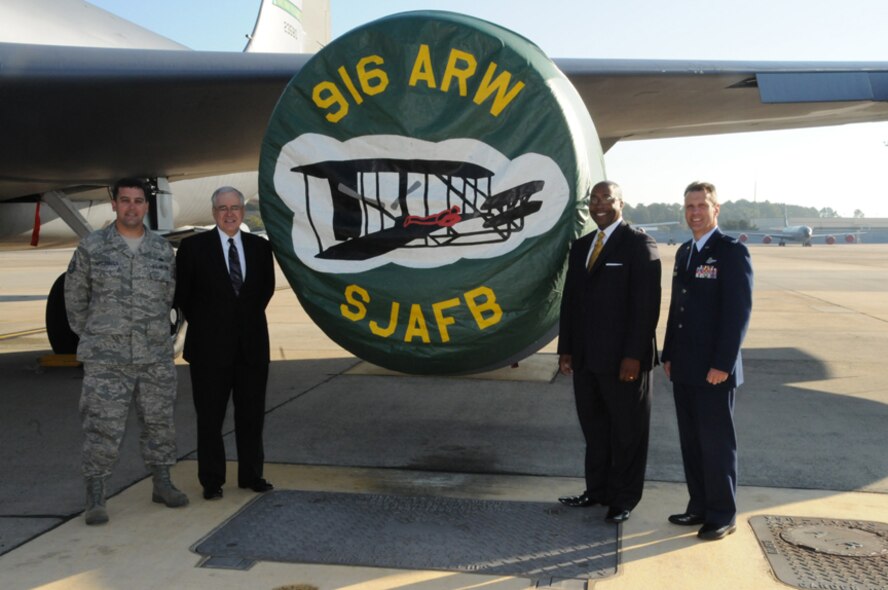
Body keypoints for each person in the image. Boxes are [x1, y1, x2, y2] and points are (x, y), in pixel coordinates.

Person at [65, 177, 188, 526]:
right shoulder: (92, 247)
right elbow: (74, 301)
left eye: (138, 201)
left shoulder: (162, 251)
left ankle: (162, 483)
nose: (132, 207)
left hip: (153, 355)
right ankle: (96, 495)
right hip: (107, 358)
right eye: (125, 200)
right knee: (101, 427)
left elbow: (169, 296)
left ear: (146, 207)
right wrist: (98, 335)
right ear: (114, 205)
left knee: (160, 422)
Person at [557, 181, 662, 524]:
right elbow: (571, 302)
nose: (599, 204)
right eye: (594, 199)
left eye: (607, 198)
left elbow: (646, 306)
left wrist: (634, 355)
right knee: (595, 429)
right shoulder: (582, 246)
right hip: (586, 359)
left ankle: (624, 498)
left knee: (627, 431)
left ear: (621, 203)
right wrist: (567, 349)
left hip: (623, 361)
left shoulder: (638, 244)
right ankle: (597, 490)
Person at [661, 181, 753, 541]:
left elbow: (737, 313)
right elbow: (677, 309)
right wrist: (667, 354)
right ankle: (698, 505)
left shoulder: (730, 252)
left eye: (701, 205)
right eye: (689, 206)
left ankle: (722, 514)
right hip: (683, 365)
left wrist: (723, 364)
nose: (694, 212)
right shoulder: (685, 252)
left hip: (714, 369)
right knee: (692, 442)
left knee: (716, 444)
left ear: (716, 209)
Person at [175, 186, 275, 500]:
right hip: (208, 350)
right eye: (222, 208)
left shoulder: (259, 248)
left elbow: (265, 292)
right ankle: (212, 480)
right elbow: (184, 297)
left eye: (234, 207)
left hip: (251, 348)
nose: (229, 214)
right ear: (214, 212)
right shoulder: (193, 249)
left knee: (251, 416)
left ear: (242, 211)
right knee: (210, 419)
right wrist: (212, 324)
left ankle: (251, 475)